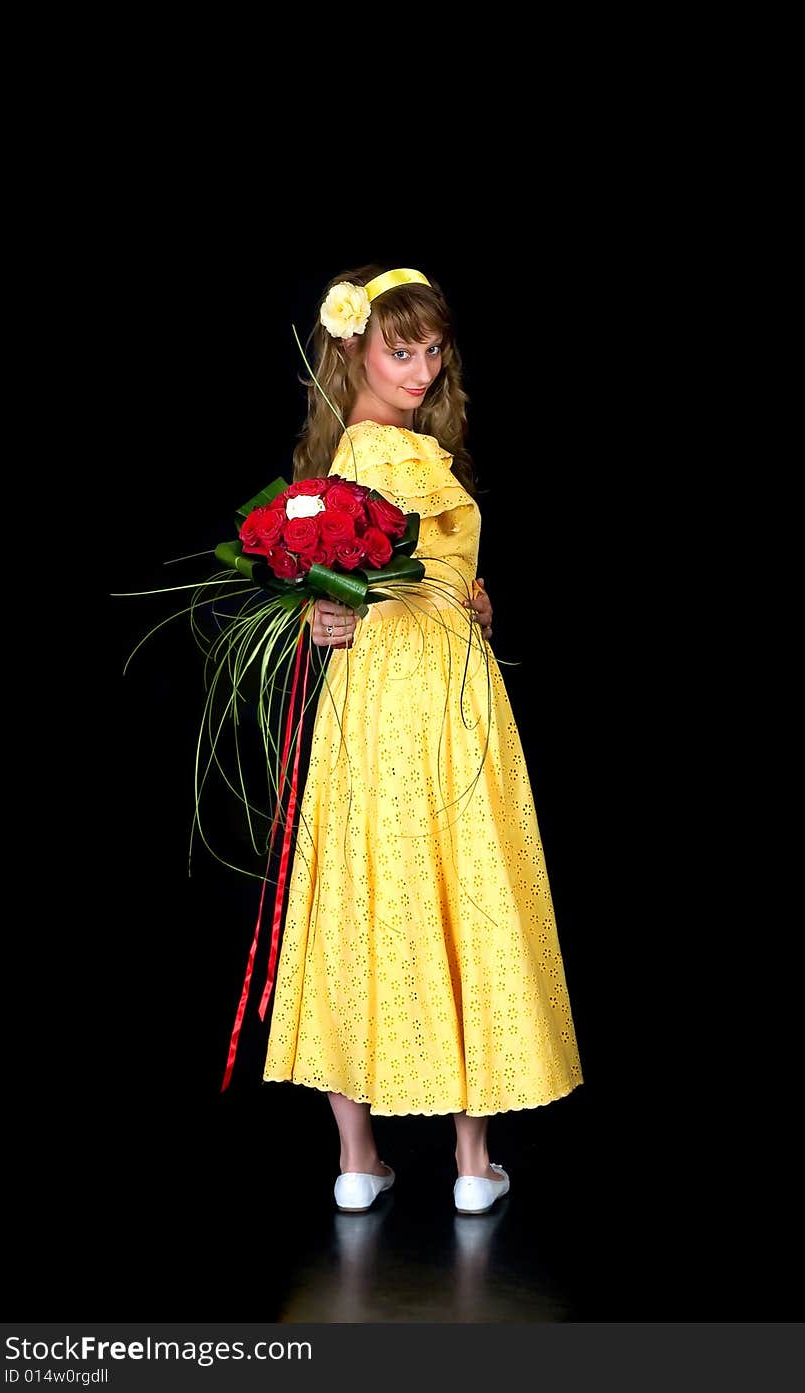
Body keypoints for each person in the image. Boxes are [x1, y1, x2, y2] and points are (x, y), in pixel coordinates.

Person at [262, 265, 583, 1214]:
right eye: (402, 349)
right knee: (460, 884)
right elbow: (338, 592)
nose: (423, 366)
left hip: (389, 696)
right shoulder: (392, 455)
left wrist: (469, 597)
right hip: (433, 696)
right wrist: (335, 610)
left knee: (360, 890)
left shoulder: (341, 466)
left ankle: (359, 1160)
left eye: (433, 349)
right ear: (354, 346)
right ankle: (471, 1165)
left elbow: (392, 576)